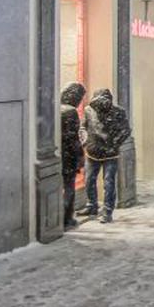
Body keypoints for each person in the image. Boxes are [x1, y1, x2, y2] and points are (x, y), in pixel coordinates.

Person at [81, 88, 130, 224]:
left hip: (110, 153)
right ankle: (92, 205)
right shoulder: (88, 110)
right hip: (92, 151)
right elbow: (83, 126)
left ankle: (107, 211)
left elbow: (126, 130)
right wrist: (84, 141)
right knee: (89, 180)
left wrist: (114, 144)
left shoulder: (119, 112)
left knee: (109, 183)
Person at [59, 83, 86, 228]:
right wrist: (80, 156)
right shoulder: (70, 112)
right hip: (68, 156)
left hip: (56, 154)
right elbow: (73, 138)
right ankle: (67, 218)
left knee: (61, 186)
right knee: (69, 187)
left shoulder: (55, 108)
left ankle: (56, 216)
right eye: (80, 98)